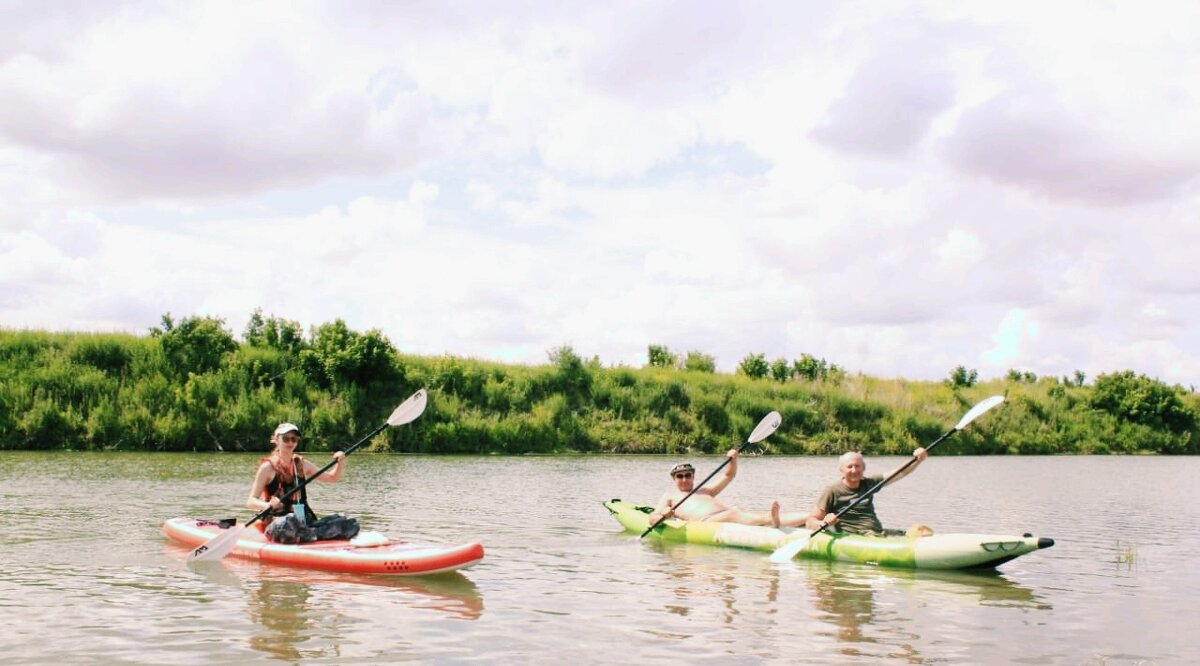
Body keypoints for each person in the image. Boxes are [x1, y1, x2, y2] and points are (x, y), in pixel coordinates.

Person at [247, 422, 357, 543]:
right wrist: (267, 505)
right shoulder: (267, 467)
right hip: (280, 522)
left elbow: (332, 478)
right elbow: (251, 501)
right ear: (276, 440)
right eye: (286, 439)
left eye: (293, 439)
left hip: (304, 522)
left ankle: (310, 534)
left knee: (349, 522)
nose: (290, 443)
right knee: (288, 522)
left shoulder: (302, 464)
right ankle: (314, 534)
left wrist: (340, 463)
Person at [647, 448, 807, 528]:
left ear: (693, 477)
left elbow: (728, 476)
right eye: (679, 476)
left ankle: (810, 517)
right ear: (673, 479)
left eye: (687, 475)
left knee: (743, 513)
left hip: (726, 517)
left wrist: (732, 460)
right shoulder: (670, 495)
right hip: (706, 523)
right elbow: (652, 519)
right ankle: (772, 521)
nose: (684, 479)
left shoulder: (704, 490)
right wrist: (664, 514)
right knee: (735, 512)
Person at [798, 448, 928, 536]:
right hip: (857, 537)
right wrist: (824, 523)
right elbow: (811, 521)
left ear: (863, 468)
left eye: (858, 466)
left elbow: (900, 473)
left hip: (877, 532)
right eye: (850, 466)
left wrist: (918, 460)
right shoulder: (832, 490)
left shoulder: (869, 482)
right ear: (841, 470)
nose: (854, 470)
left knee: (920, 532)